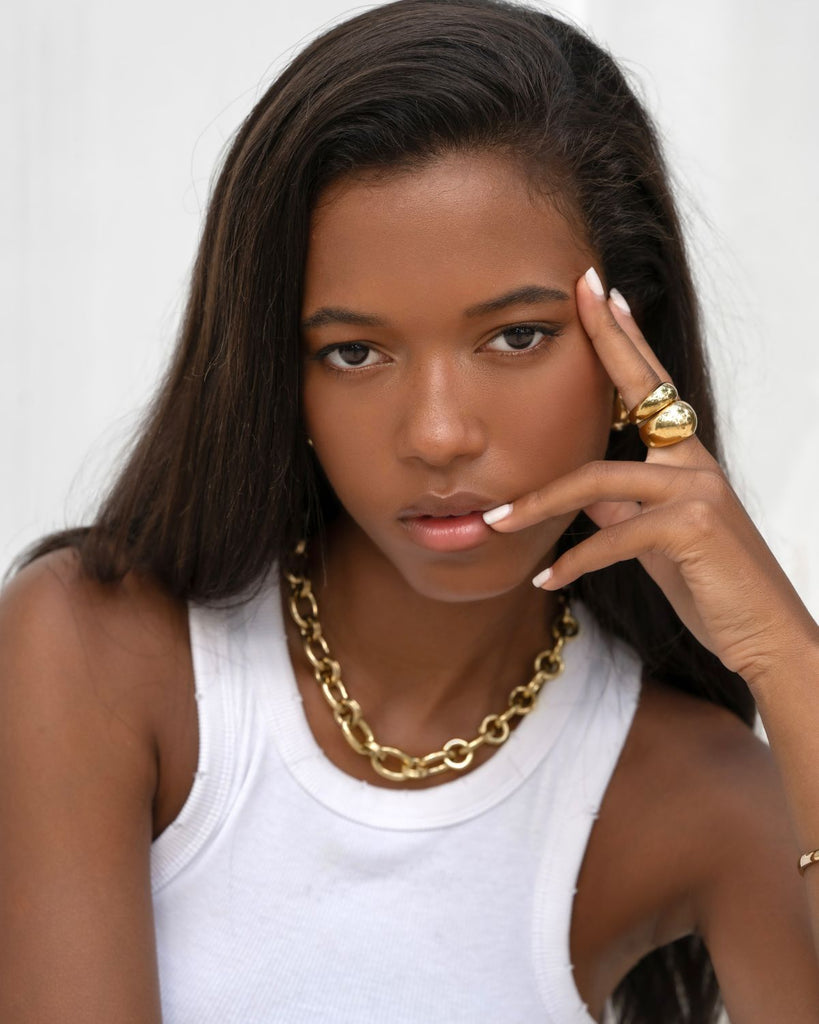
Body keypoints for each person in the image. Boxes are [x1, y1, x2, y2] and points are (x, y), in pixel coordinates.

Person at [2, 0, 818, 1021]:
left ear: (629, 346)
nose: (436, 434)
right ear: (280, 374)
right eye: (354, 352)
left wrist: (791, 663)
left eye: (516, 337)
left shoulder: (698, 793)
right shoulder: (100, 652)